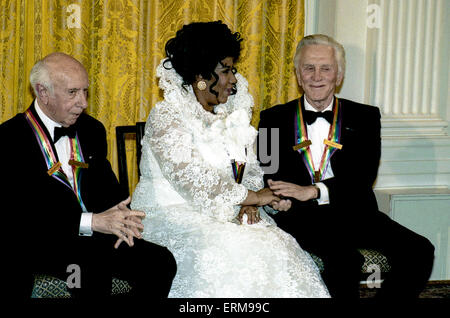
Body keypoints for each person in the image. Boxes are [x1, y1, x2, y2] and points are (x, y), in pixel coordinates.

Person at [131, 21, 330, 298]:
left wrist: (251, 202)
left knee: (274, 244)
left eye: (232, 70)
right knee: (231, 250)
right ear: (201, 75)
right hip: (174, 213)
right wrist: (253, 198)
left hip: (226, 212)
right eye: (225, 70)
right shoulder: (167, 116)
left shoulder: (231, 115)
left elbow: (251, 168)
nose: (234, 79)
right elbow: (192, 179)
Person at [258, 34, 435, 298]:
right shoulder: (271, 118)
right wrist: (276, 197)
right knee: (344, 261)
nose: (316, 76)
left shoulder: (367, 117)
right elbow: (267, 169)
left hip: (354, 212)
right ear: (298, 75)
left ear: (338, 76)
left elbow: (363, 177)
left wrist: (314, 190)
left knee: (420, 250)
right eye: (309, 68)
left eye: (325, 68)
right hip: (301, 217)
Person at [0, 52, 176, 300]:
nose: (82, 102)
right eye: (72, 92)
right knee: (88, 270)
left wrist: (122, 214)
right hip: (41, 242)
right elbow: (22, 216)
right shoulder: (10, 139)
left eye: (85, 91)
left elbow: (108, 190)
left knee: (160, 262)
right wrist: (90, 222)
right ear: (42, 92)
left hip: (93, 239)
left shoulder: (91, 129)